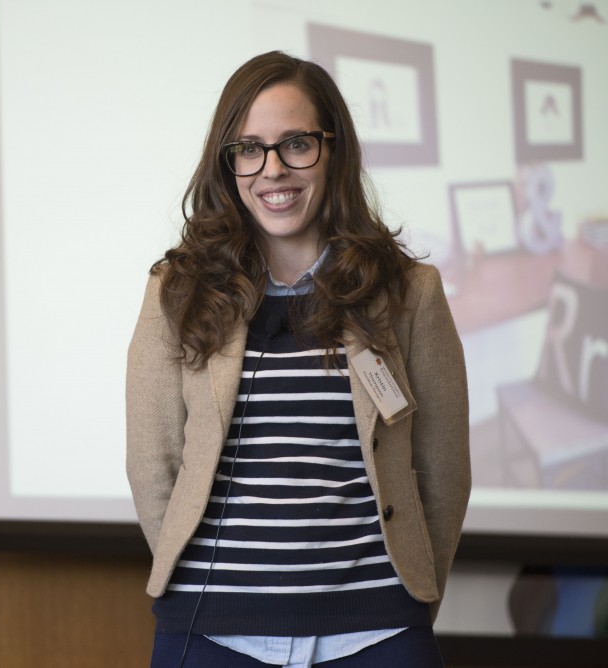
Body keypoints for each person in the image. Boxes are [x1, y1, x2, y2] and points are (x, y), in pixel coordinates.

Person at [126, 51, 470, 667]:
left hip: (378, 634)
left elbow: (442, 471)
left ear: (333, 149)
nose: (273, 170)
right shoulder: (176, 291)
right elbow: (155, 466)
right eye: (249, 149)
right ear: (227, 163)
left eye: (296, 144)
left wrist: (409, 598)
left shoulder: (409, 292)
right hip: (210, 632)